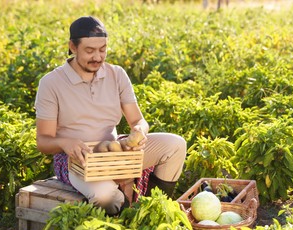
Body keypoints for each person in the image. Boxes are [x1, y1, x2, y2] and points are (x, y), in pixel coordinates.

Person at [34, 16, 186, 215]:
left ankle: (151, 211)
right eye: (89, 50)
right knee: (105, 195)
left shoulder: (116, 74)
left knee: (175, 145)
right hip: (78, 160)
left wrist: (140, 130)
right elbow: (43, 141)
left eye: (102, 49)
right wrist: (65, 143)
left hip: (115, 151)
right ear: (72, 46)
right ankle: (124, 219)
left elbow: (138, 120)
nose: (97, 57)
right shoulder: (51, 83)